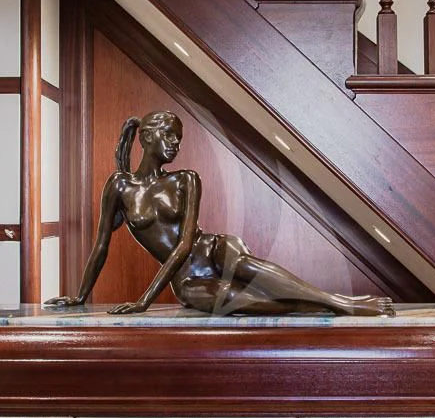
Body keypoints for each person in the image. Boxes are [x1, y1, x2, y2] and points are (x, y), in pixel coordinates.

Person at [48, 111, 395, 317]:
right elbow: (101, 247)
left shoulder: (186, 179)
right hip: (187, 279)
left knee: (246, 266)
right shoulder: (120, 186)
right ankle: (326, 307)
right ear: (148, 137)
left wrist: (143, 301)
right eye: (169, 135)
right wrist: (81, 296)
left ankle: (342, 304)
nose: (176, 143)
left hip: (209, 248)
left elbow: (185, 244)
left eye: (179, 138)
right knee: (230, 298)